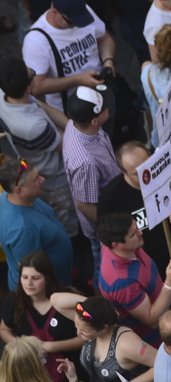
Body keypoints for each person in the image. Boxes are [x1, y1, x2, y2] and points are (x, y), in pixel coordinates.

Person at [98, 141, 171, 308]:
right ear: (123, 172)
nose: (146, 175)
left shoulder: (169, 173)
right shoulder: (112, 198)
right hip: (149, 279)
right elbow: (107, 242)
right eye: (137, 173)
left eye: (147, 165)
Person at [0, 59, 77, 236]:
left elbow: (39, 105)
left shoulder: (6, 98)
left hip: (37, 165)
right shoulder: (32, 126)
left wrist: (72, 126)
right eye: (31, 74)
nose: (34, 71)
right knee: (66, 218)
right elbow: (67, 144)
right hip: (56, 177)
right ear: (28, 88)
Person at [94, 213, 171, 344]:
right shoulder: (122, 282)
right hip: (155, 337)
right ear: (117, 245)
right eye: (133, 234)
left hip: (165, 308)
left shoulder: (123, 246)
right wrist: (170, 284)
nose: (140, 233)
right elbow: (152, 321)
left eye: (137, 228)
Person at [0, 255, 81, 382]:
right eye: (24, 277)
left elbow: (85, 336)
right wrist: (24, 347)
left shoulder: (63, 300)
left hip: (67, 371)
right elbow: (4, 329)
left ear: (47, 279)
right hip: (29, 374)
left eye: (35, 278)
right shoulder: (14, 300)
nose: (28, 283)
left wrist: (52, 346)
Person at [23, 0, 115, 113]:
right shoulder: (36, 40)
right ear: (54, 11)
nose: (77, 24)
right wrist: (78, 80)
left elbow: (104, 38)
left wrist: (108, 61)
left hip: (101, 93)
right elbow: (36, 87)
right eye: (70, 22)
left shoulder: (82, 12)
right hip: (73, 109)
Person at [62, 85, 121, 257]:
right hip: (105, 230)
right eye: (104, 108)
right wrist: (116, 228)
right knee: (101, 262)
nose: (108, 107)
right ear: (95, 121)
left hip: (113, 199)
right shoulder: (85, 163)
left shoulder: (76, 124)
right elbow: (84, 204)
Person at [0, 160, 72, 290]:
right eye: (35, 179)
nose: (42, 179)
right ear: (19, 190)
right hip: (49, 289)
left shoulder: (8, 195)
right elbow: (33, 275)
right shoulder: (21, 229)